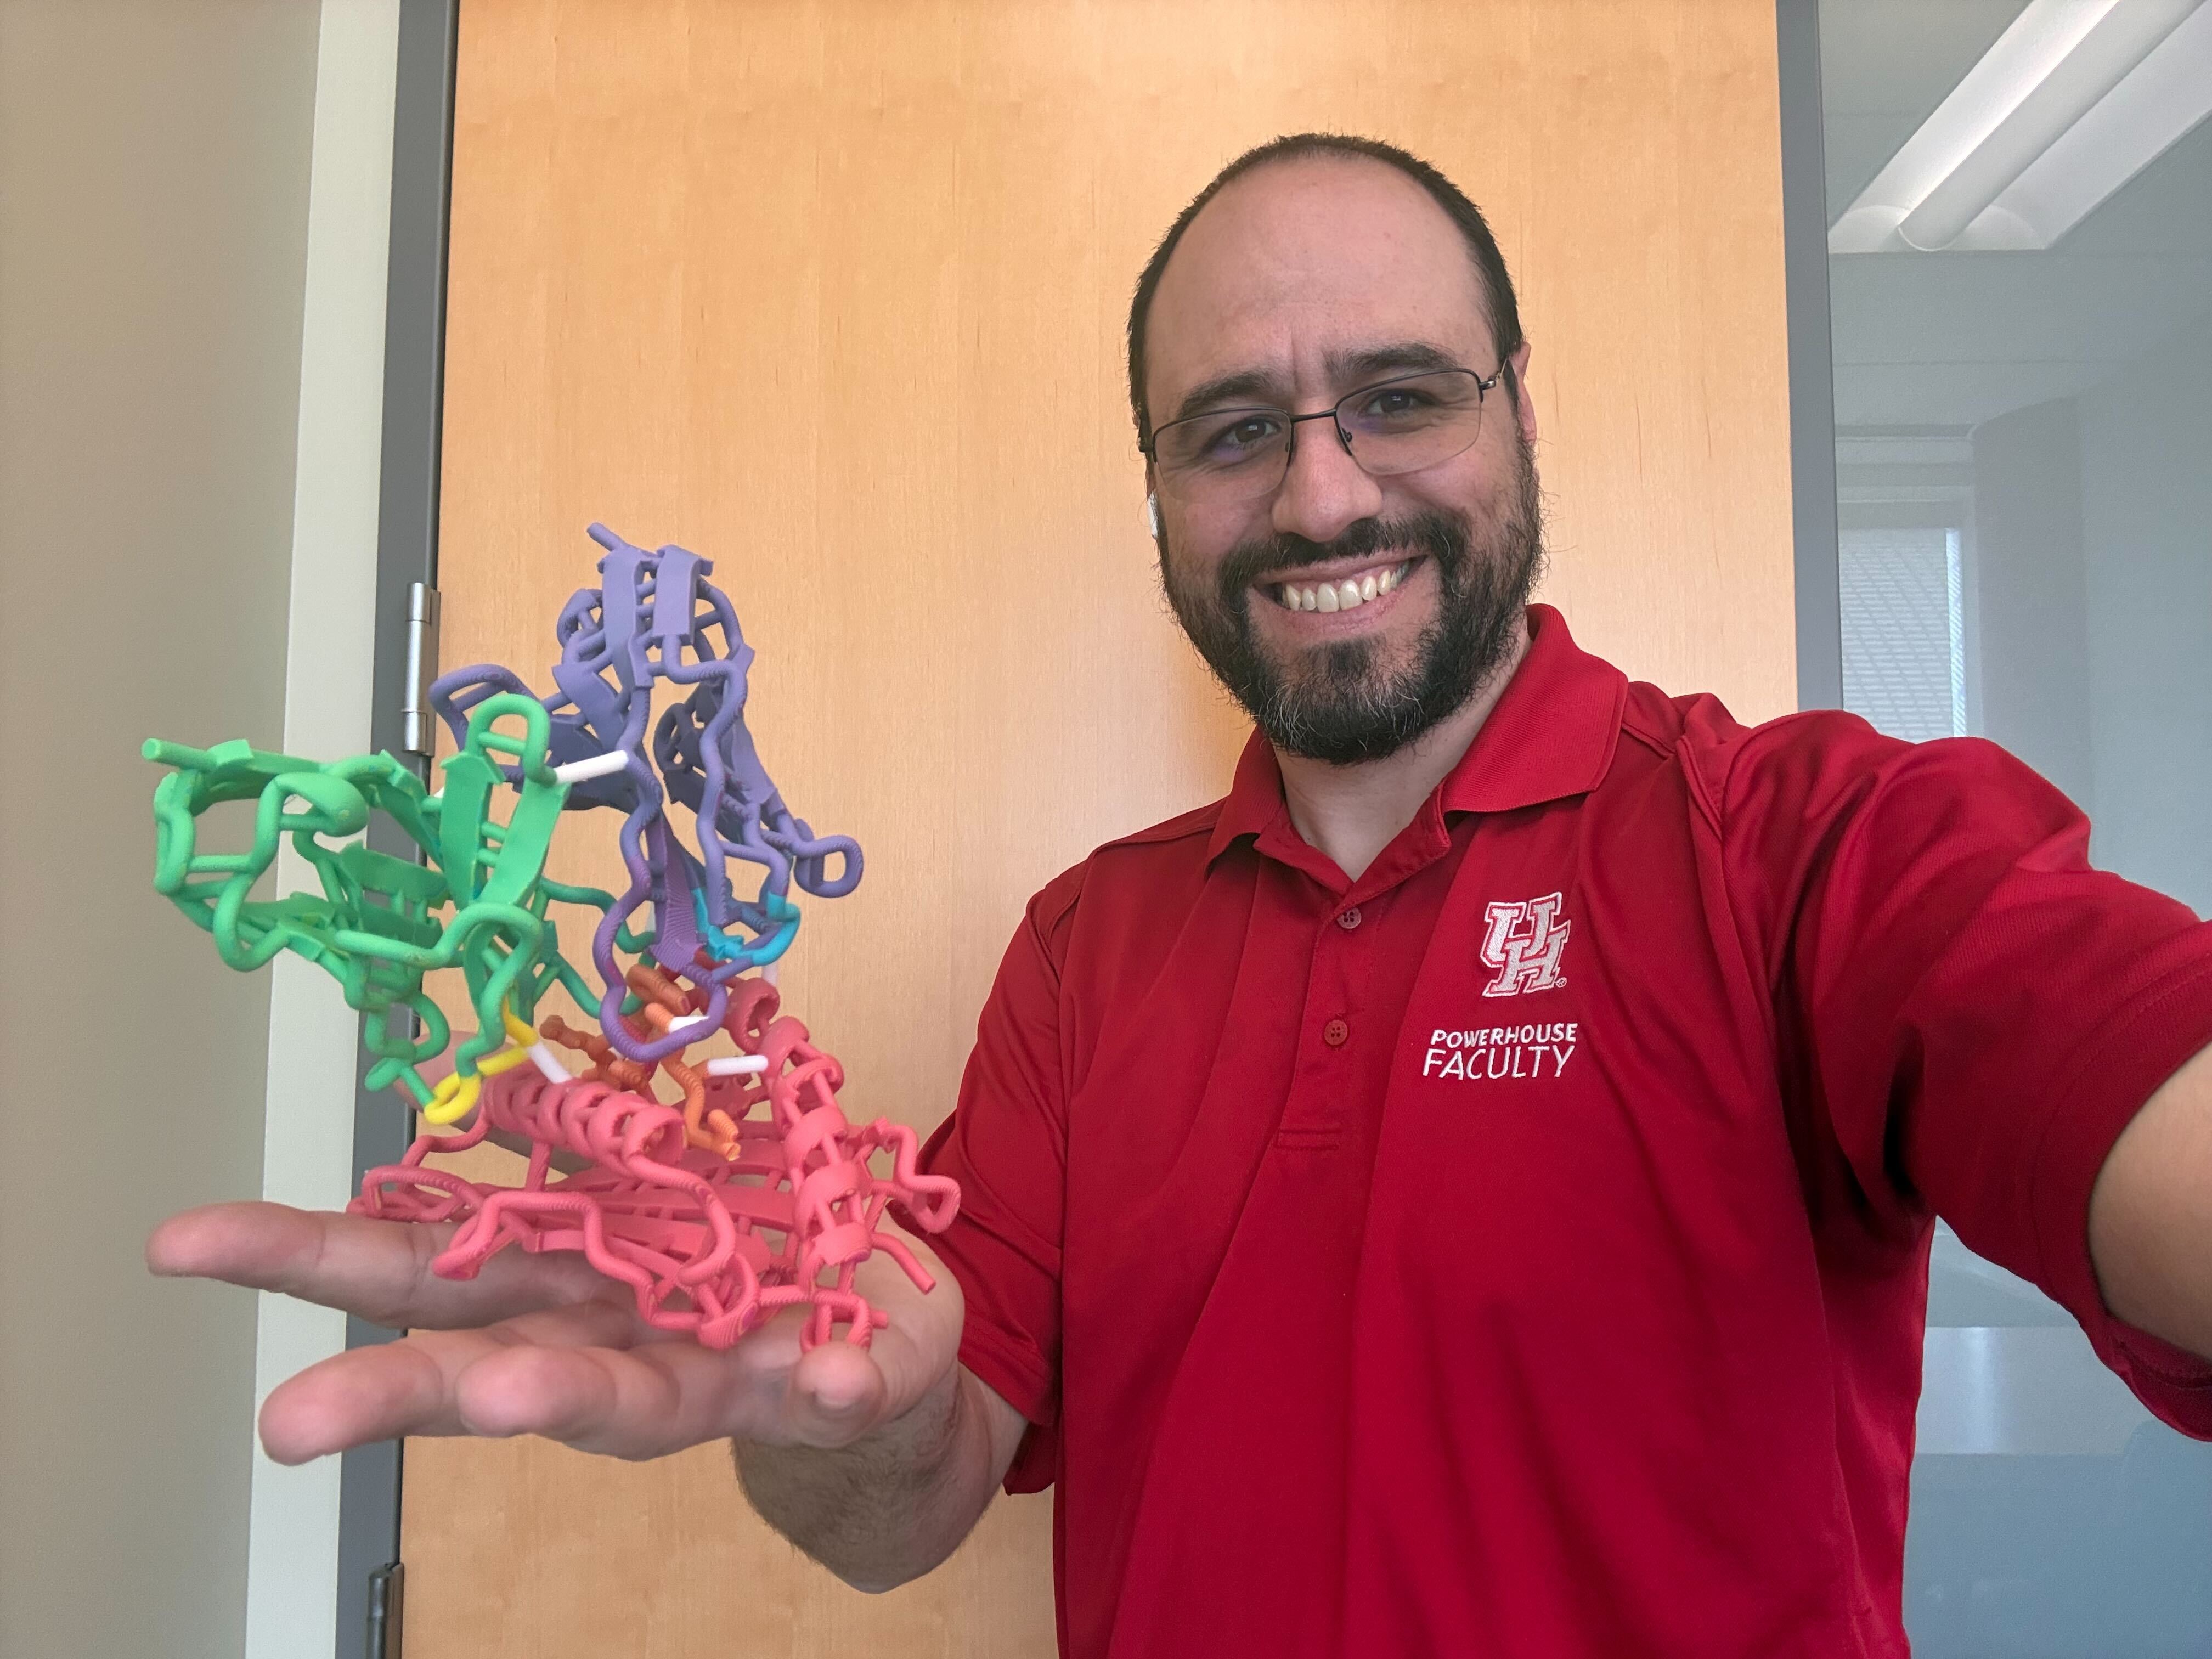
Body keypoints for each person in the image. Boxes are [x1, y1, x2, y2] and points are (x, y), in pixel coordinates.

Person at [149, 134, 2212, 1658]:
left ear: (1519, 406)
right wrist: (818, 1390)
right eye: (1234, 431)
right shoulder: (1087, 953)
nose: (1321, 490)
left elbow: (2116, 1074)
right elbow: (904, 1500)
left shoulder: (1802, 847)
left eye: (1399, 395)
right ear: (1158, 486)